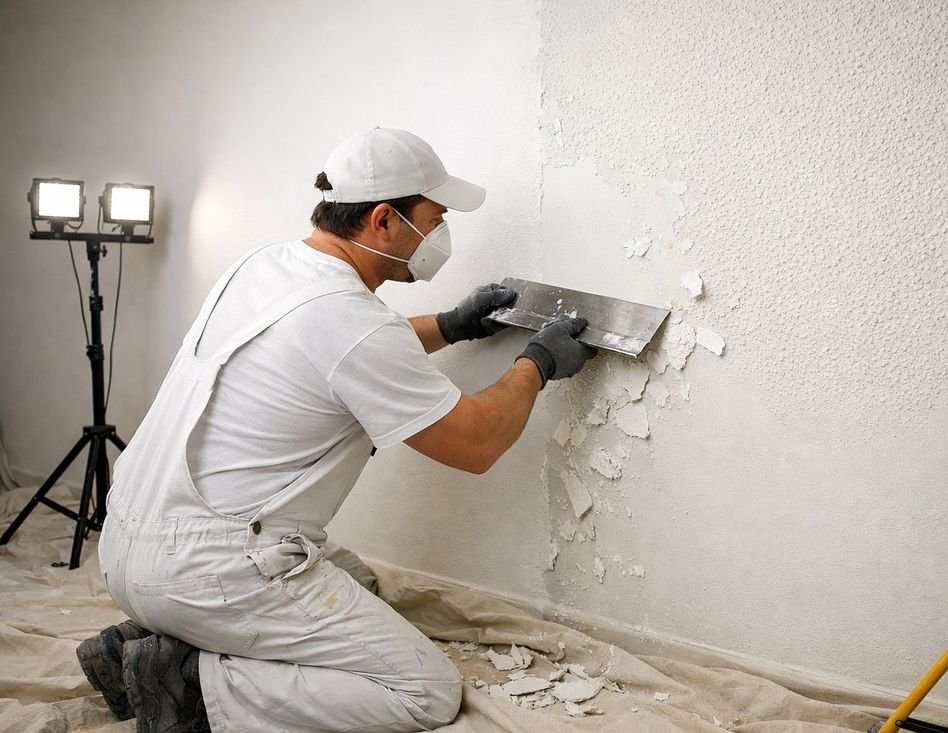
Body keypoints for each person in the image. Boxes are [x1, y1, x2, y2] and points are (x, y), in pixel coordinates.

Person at [76, 127, 597, 733]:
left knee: (359, 583)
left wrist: (453, 327)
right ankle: (187, 681)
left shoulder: (264, 266)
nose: (441, 235)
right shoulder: (354, 322)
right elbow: (475, 443)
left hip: (126, 546)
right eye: (435, 218)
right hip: (209, 569)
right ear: (383, 220)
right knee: (423, 693)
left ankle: (146, 640)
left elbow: (338, 354)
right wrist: (536, 364)